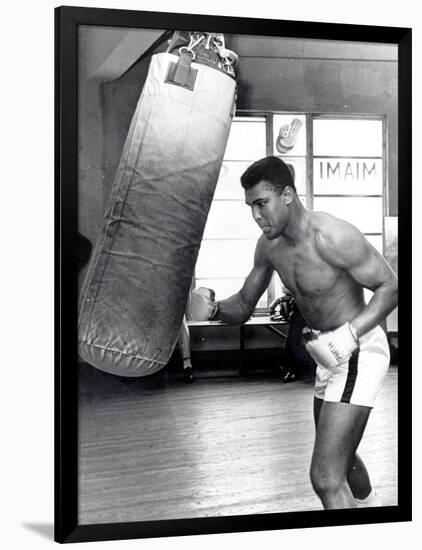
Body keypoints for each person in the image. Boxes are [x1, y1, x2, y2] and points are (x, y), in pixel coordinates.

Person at [202, 155, 398, 510]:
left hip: (358, 352)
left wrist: (350, 335)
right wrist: (212, 309)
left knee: (325, 477)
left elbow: (391, 286)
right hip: (328, 356)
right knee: (343, 455)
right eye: (251, 207)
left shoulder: (333, 237)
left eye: (262, 204)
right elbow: (244, 305)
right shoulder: (269, 247)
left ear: (288, 195)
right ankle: (373, 516)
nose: (256, 216)